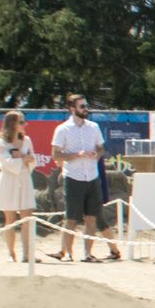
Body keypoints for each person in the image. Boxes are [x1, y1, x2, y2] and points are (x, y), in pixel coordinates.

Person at [49, 95, 118, 262]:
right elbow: (55, 154)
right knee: (71, 218)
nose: (85, 108)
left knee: (91, 218)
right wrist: (76, 155)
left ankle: (88, 254)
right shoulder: (62, 129)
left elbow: (101, 148)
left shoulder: (93, 127)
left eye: (86, 105)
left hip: (92, 177)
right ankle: (66, 253)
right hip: (73, 177)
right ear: (73, 109)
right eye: (82, 106)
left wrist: (97, 155)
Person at [0, 110, 39, 262]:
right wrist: (23, 160)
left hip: (24, 179)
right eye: (21, 122)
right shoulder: (1, 142)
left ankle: (27, 254)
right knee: (10, 218)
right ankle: (11, 253)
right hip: (8, 181)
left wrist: (25, 159)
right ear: (12, 124)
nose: (25, 125)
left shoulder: (27, 140)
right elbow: (7, 162)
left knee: (27, 217)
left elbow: (33, 159)